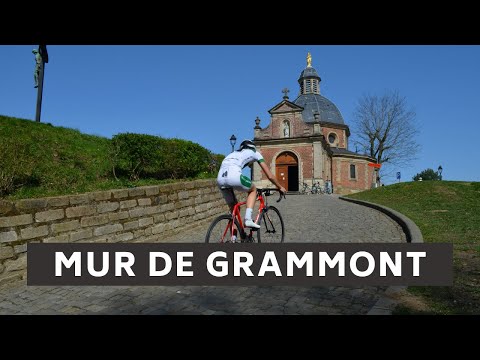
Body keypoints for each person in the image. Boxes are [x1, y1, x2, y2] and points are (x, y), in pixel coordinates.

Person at [217, 139, 286, 229]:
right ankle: (248, 219)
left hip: (220, 179)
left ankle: (233, 239)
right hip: (234, 177)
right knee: (253, 190)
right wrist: (280, 187)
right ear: (252, 147)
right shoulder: (255, 153)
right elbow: (270, 176)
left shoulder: (233, 153)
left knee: (234, 211)